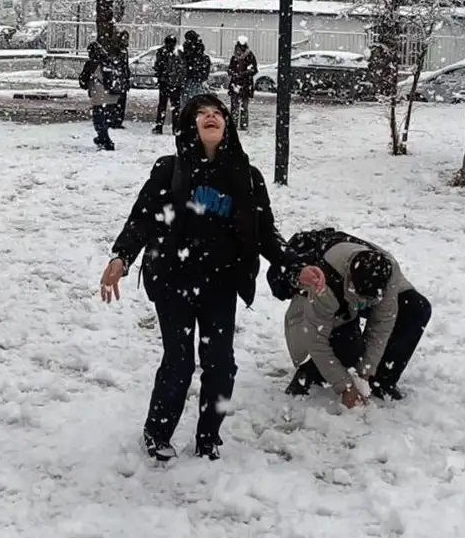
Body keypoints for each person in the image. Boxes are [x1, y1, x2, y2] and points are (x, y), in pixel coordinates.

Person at [99, 94, 324, 462]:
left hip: (220, 283)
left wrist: (296, 266)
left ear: (227, 125)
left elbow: (265, 233)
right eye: (202, 114)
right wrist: (121, 257)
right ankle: (157, 432)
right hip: (173, 279)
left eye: (217, 113)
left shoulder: (246, 177)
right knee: (179, 361)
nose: (211, 117)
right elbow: (142, 217)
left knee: (221, 363)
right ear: (190, 125)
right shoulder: (169, 169)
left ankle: (208, 438)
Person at [273, 229, 432, 405]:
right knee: (349, 347)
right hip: (319, 308)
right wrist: (346, 387)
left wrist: (366, 371)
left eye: (371, 300)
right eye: (361, 298)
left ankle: (381, 381)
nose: (365, 304)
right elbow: (316, 340)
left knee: (417, 309)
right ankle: (308, 374)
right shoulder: (325, 282)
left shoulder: (388, 273)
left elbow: (382, 322)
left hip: (354, 293)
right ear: (350, 280)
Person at [79, 41, 120, 151]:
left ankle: (106, 141)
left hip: (99, 95)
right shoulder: (109, 61)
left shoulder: (92, 64)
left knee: (98, 120)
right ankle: (102, 138)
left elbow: (83, 81)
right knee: (105, 119)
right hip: (112, 95)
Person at [152, 35, 186, 135]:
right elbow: (183, 68)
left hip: (165, 82)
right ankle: (175, 127)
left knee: (162, 105)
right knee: (175, 106)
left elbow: (158, 66)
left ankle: (159, 126)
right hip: (176, 83)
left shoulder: (161, 52)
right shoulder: (179, 53)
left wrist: (160, 76)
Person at [227, 36, 258, 131]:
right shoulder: (234, 58)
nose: (237, 51)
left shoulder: (250, 56)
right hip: (236, 83)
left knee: (244, 105)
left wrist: (243, 74)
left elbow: (254, 70)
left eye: (238, 49)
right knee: (235, 105)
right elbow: (230, 68)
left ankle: (243, 124)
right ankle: (235, 124)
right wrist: (233, 73)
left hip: (245, 84)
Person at [182, 31, 212, 100]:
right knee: (196, 98)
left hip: (190, 77)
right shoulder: (200, 49)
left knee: (188, 98)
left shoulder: (188, 48)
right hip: (198, 77)